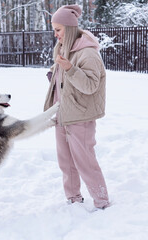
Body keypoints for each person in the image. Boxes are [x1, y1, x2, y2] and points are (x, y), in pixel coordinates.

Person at [44, 5, 110, 209]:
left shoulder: (87, 53)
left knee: (85, 162)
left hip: (80, 116)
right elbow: (66, 81)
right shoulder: (63, 48)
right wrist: (55, 75)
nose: (55, 34)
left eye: (58, 29)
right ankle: (73, 198)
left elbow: (90, 86)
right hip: (62, 113)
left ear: (70, 29)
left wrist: (70, 69)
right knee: (66, 162)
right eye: (54, 29)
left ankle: (102, 201)